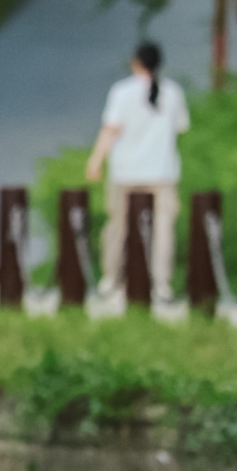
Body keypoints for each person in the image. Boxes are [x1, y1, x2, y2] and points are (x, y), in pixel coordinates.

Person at [85, 38, 190, 306]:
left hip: (126, 172)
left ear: (136, 62)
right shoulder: (173, 92)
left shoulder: (122, 92)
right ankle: (161, 284)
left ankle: (112, 279)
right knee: (163, 228)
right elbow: (180, 127)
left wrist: (96, 160)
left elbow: (111, 130)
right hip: (163, 172)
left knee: (118, 226)